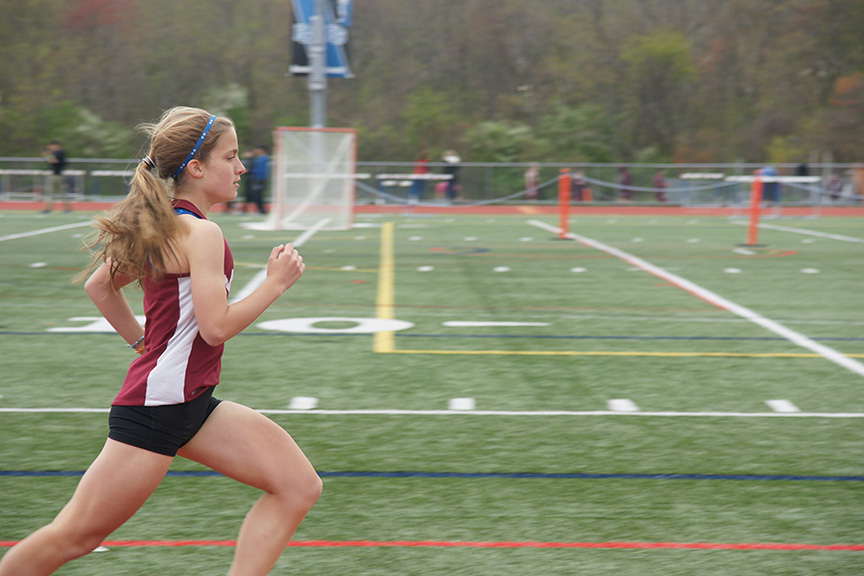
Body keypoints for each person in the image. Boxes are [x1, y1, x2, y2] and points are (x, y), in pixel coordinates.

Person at [0, 107, 321, 576]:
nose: (241, 169)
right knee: (76, 535)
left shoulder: (164, 225)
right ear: (196, 167)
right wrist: (274, 284)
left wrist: (143, 345)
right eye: (230, 158)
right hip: (157, 410)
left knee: (298, 486)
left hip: (188, 401)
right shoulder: (200, 233)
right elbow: (215, 328)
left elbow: (99, 286)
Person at [42, 140, 72, 213]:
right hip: (55, 174)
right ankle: (49, 208)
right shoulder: (56, 153)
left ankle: (66, 208)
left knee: (58, 192)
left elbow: (54, 161)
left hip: (57, 175)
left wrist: (47, 155)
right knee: (53, 192)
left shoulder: (59, 153)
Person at [241, 144, 270, 214]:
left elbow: (261, 170)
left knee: (258, 195)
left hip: (259, 179)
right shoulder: (258, 159)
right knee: (254, 194)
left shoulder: (264, 158)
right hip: (255, 178)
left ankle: (261, 210)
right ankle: (259, 209)